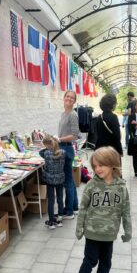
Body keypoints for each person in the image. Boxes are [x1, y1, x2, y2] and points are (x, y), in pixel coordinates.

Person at [70, 147, 131, 273]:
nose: (97, 169)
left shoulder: (121, 187)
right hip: (92, 231)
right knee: (90, 260)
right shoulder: (92, 185)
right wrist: (79, 228)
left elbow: (126, 210)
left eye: (101, 165)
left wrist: (127, 230)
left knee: (106, 261)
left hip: (110, 233)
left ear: (112, 165)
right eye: (95, 166)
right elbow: (83, 207)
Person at [57, 90, 79, 218]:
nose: (69, 99)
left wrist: (60, 139)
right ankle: (74, 207)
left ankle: (69, 211)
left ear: (74, 101)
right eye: (67, 96)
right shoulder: (63, 114)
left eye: (72, 98)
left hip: (67, 149)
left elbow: (75, 136)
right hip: (61, 147)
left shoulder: (73, 115)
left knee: (67, 181)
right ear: (63, 98)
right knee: (69, 180)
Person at [39, 135, 66, 229]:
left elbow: (40, 152)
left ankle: (51, 221)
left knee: (51, 200)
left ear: (47, 145)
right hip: (60, 179)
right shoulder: (63, 152)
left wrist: (45, 147)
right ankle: (59, 220)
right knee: (60, 199)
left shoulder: (46, 153)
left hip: (49, 180)